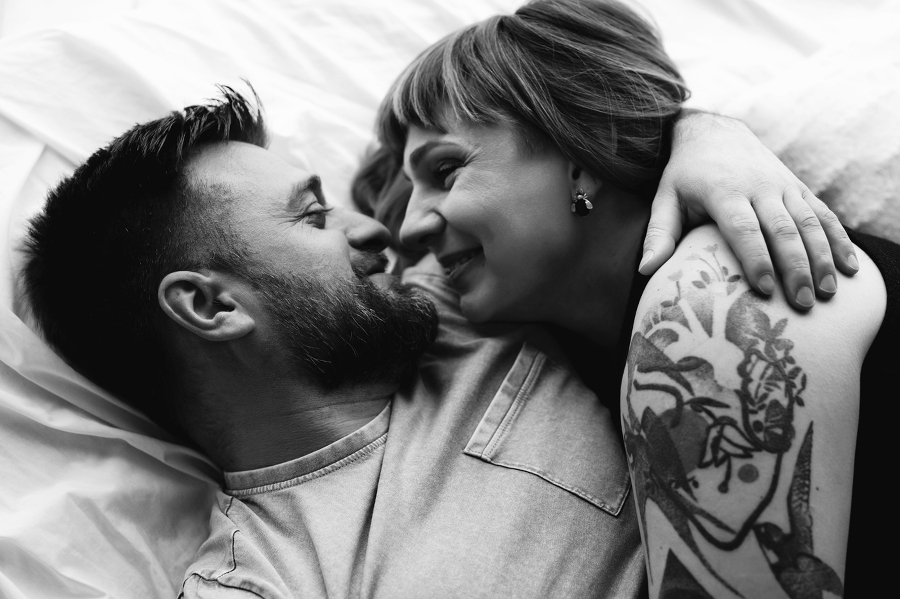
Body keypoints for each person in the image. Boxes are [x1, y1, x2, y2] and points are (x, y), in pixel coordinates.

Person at [365, 0, 897, 596]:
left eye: (445, 170)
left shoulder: (711, 304)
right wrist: (702, 127)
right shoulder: (582, 346)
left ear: (581, 156)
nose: (410, 227)